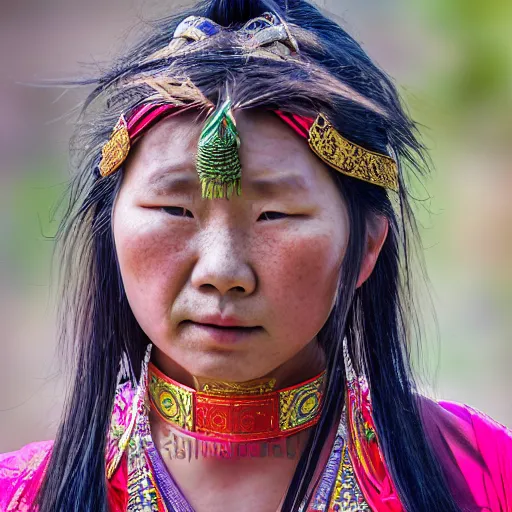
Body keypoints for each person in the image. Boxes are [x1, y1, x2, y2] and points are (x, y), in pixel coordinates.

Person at [1, 1, 511, 511]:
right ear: (111, 230)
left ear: (367, 247)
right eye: (174, 208)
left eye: (276, 215)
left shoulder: (483, 475)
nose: (222, 273)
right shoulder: (20, 495)